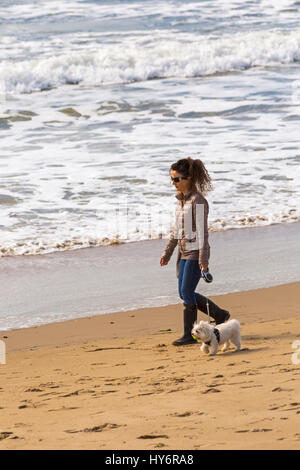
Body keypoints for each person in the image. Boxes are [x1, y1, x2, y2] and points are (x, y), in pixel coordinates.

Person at [159, 157, 230, 346]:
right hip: (182, 252)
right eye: (172, 179)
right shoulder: (181, 201)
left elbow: (202, 233)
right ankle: (219, 314)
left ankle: (189, 335)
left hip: (194, 252)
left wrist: (203, 259)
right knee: (184, 293)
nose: (173, 183)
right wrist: (167, 253)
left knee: (186, 291)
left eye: (176, 179)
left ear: (188, 178)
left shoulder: (198, 201)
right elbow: (176, 230)